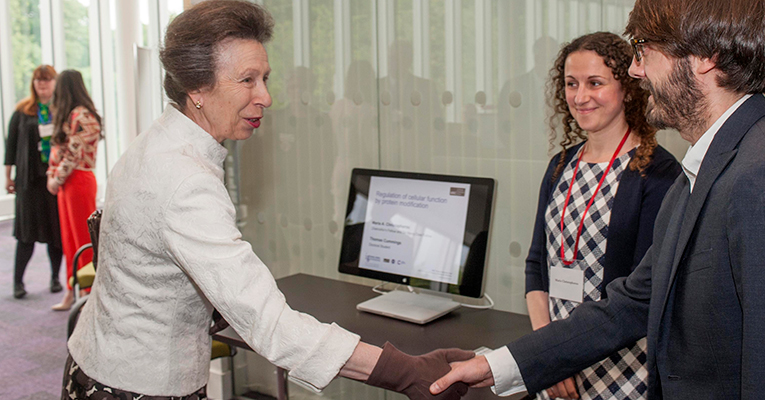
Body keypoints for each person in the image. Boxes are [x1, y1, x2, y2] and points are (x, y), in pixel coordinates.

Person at [430, 0, 765, 398]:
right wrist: (498, 365)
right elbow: (631, 303)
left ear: (705, 55)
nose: (636, 71)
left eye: (643, 49)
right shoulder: (707, 169)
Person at [63, 2, 471, 399]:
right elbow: (268, 324)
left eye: (265, 79)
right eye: (247, 80)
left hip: (96, 359)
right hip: (138, 385)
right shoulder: (184, 180)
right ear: (197, 88)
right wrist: (406, 372)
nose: (265, 97)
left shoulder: (156, 142)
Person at [524, 32, 680, 400]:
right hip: (555, 358)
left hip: (623, 366)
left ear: (627, 88)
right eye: (571, 84)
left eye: (595, 83)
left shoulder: (658, 174)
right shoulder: (560, 165)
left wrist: (562, 355)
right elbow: (537, 266)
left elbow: (642, 297)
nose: (580, 97)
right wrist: (546, 353)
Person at [4, 65, 64, 299]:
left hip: (52, 179)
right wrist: (8, 176)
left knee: (54, 231)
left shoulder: (60, 111)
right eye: (38, 80)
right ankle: (18, 282)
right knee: (26, 233)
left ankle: (55, 278)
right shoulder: (22, 111)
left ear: (54, 83)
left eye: (47, 80)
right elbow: (10, 147)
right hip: (28, 180)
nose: (42, 84)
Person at [45, 69, 101, 311]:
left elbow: (74, 151)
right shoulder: (69, 115)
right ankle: (73, 289)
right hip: (68, 181)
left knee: (81, 237)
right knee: (68, 239)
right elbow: (59, 150)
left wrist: (56, 177)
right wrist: (53, 175)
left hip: (78, 179)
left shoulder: (83, 115)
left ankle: (88, 292)